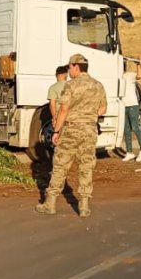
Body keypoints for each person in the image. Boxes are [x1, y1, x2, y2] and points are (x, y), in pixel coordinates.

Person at [36, 53, 107, 218]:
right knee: (86, 167)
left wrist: (56, 131)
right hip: (89, 130)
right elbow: (103, 109)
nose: (68, 71)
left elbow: (64, 109)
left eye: (69, 67)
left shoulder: (71, 85)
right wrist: (87, 114)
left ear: (76, 66)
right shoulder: (98, 85)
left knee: (60, 165)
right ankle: (83, 205)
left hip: (71, 130)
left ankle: (50, 203)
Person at [120, 65, 141, 163]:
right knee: (126, 130)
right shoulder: (118, 76)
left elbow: (139, 76)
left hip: (132, 105)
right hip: (123, 106)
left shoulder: (129, 75)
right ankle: (129, 152)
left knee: (135, 128)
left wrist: (138, 64)